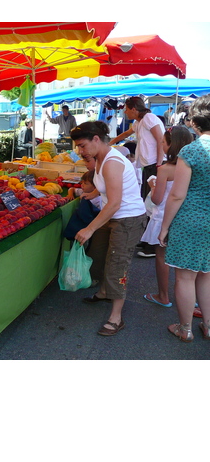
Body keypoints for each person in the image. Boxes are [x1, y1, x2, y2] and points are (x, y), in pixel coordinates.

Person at [70, 121, 147, 336]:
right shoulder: (101, 158)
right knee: (100, 254)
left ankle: (116, 317)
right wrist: (92, 194)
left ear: (96, 139)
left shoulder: (112, 161)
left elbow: (114, 202)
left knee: (117, 264)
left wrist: (90, 229)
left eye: (82, 145)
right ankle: (104, 291)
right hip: (111, 217)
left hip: (128, 219)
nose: (80, 151)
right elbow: (104, 186)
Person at [158, 95, 210, 342]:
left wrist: (164, 227)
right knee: (207, 274)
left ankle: (185, 328)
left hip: (191, 220)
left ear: (195, 122)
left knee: (185, 276)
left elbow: (177, 195)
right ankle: (209, 326)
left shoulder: (191, 151)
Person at [141, 127, 193, 308]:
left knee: (162, 256)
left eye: (163, 142)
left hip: (164, 217)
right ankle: (193, 299)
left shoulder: (165, 169)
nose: (161, 145)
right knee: (187, 263)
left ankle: (163, 295)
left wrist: (152, 185)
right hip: (187, 216)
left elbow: (157, 199)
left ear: (171, 145)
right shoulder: (194, 166)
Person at [110, 96, 166, 200]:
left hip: (155, 164)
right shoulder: (138, 122)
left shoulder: (149, 118)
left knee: (151, 197)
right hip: (149, 165)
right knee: (146, 195)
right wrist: (110, 143)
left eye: (126, 109)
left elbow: (160, 140)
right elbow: (126, 134)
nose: (125, 112)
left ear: (134, 109)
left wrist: (159, 164)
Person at [64, 169, 102, 241]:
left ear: (95, 187)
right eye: (82, 182)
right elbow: (71, 189)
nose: (82, 185)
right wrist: (70, 194)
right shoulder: (83, 192)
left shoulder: (99, 200)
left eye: (86, 183)